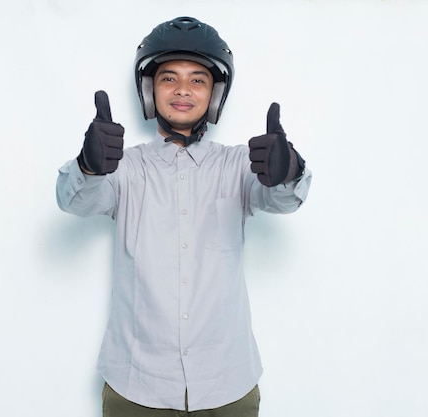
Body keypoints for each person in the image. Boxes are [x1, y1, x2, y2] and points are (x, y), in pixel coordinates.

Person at [56, 16, 312, 417]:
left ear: (214, 94)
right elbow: (76, 201)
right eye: (168, 78)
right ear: (149, 90)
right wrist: (88, 166)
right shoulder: (124, 167)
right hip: (136, 385)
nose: (182, 90)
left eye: (197, 80)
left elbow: (281, 199)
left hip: (227, 385)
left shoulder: (237, 164)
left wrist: (288, 169)